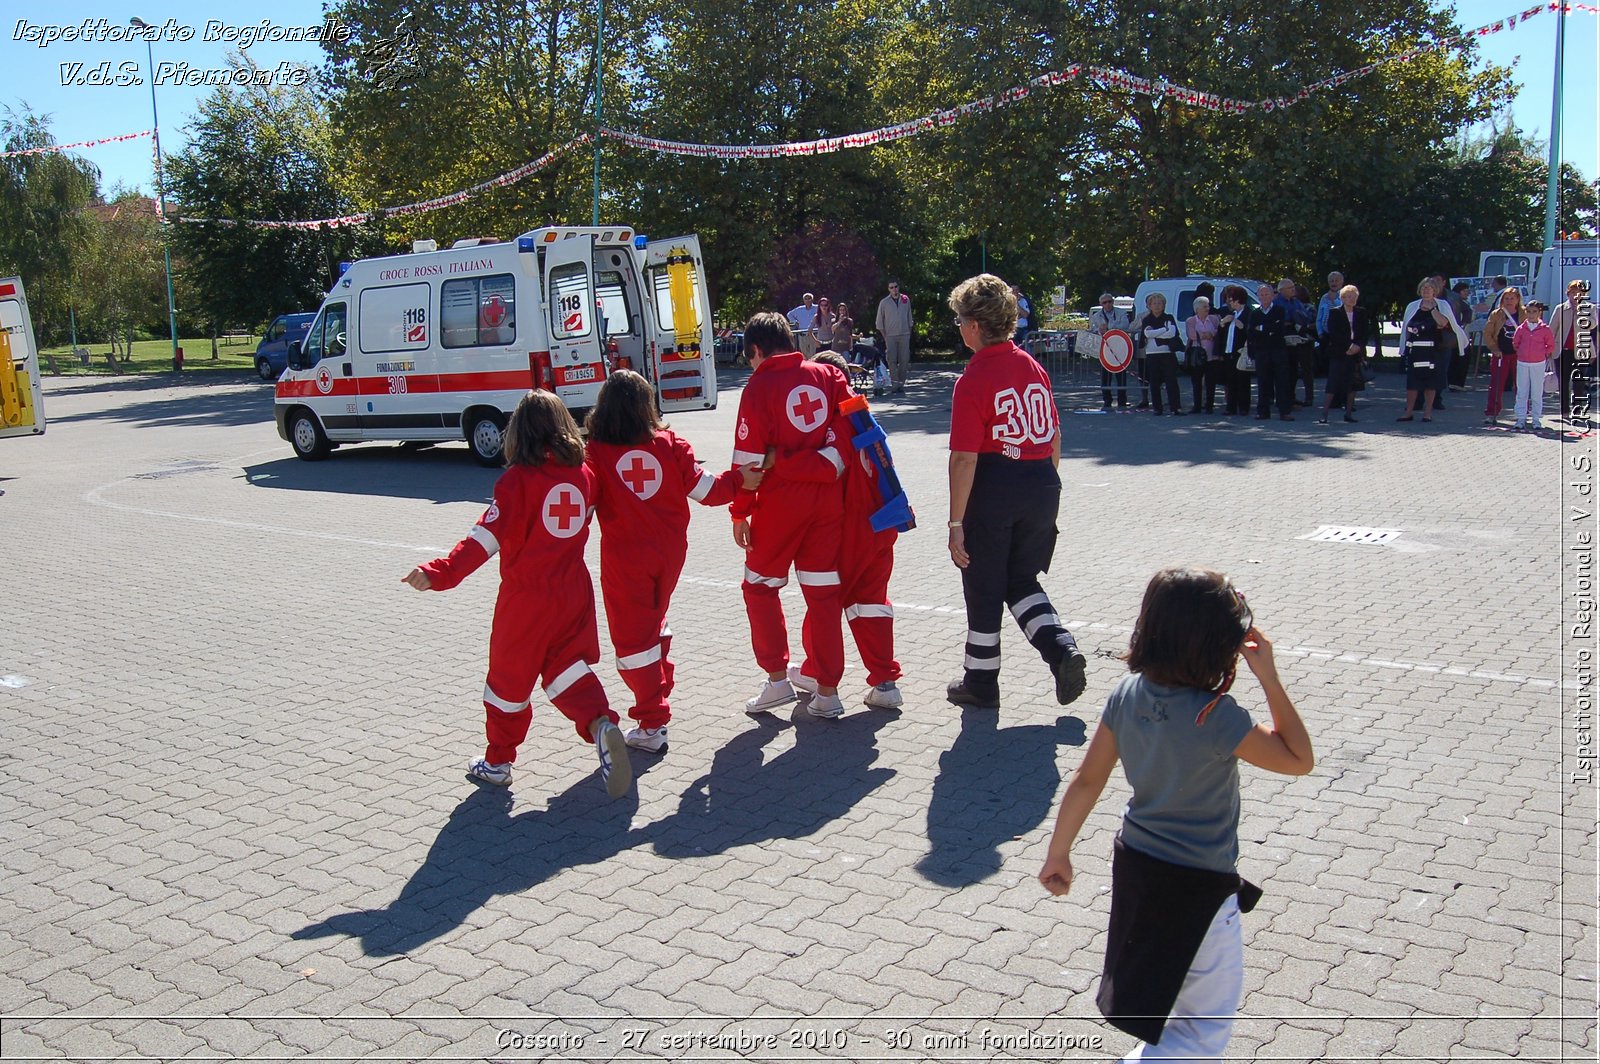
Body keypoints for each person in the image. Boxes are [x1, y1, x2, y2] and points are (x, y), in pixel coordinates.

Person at [1039, 567, 1314, 1062]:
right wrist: (1269, 677)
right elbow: (1299, 759)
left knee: (1165, 1015)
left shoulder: (1127, 694)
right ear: (1216, 646)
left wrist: (1059, 853)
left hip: (1138, 869)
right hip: (1198, 889)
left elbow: (1087, 781)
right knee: (1200, 1035)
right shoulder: (1216, 716)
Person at [401, 390, 632, 799]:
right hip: (574, 591)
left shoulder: (516, 483)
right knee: (567, 668)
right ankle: (602, 724)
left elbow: (481, 542)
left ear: (519, 432)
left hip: (527, 599)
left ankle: (497, 762)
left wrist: (438, 574)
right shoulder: (585, 475)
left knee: (507, 683)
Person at [585, 371, 763, 753]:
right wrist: (740, 481)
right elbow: (708, 491)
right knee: (652, 620)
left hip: (624, 560)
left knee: (632, 643)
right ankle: (660, 683)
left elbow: (580, 506)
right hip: (669, 555)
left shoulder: (595, 453)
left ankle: (652, 723)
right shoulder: (670, 444)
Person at [946, 274, 1087, 710]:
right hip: (1043, 481)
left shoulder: (973, 378)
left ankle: (982, 681)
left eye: (959, 320)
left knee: (984, 584)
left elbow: (964, 459)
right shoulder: (1034, 366)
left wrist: (955, 523)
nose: (959, 328)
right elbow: (1056, 437)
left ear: (974, 326)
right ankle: (1061, 648)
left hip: (995, 486)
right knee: (1020, 579)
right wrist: (1041, 488)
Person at [730, 312, 854, 718]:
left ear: (757, 350)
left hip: (779, 508)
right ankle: (829, 692)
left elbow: (749, 465)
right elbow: (844, 448)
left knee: (759, 588)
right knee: (823, 597)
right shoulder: (832, 377)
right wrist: (812, 465)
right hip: (827, 505)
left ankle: (778, 680)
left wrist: (740, 512)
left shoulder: (758, 387)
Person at [800, 350, 906, 708]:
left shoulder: (832, 426)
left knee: (824, 602)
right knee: (871, 604)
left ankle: (818, 674)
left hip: (850, 531)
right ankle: (885, 684)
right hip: (883, 524)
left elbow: (822, 475)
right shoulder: (863, 417)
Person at [1397, 277, 1466, 422]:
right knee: (1412, 383)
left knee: (1431, 382)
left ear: (1435, 290)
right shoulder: (1413, 306)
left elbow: (1444, 322)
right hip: (1416, 350)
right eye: (1423, 288)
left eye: (1429, 288)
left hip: (1435, 350)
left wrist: (1432, 309)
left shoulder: (1442, 305)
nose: (1426, 290)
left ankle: (1427, 413)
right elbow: (1407, 327)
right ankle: (1408, 411)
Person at [1318, 284, 1367, 424]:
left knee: (1353, 383)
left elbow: (1364, 332)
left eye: (1355, 296)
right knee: (1333, 383)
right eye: (1349, 296)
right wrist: (1349, 346)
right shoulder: (1335, 312)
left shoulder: (1361, 312)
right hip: (1340, 352)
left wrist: (1358, 346)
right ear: (1343, 298)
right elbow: (1334, 333)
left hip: (1355, 353)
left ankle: (1348, 413)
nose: (1352, 299)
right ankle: (1324, 414)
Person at [1549, 280, 1597, 422]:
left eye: (1580, 293)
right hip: (1563, 350)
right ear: (1568, 293)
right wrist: (1548, 348)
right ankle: (1564, 410)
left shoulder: (1590, 308)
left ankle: (1577, 409)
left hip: (1582, 350)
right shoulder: (1560, 308)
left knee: (1579, 382)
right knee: (1563, 381)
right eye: (1573, 293)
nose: (1576, 296)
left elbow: (1593, 324)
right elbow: (1552, 329)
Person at [1248, 283, 1291, 421]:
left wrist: (1262, 328)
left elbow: (1279, 329)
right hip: (1261, 352)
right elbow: (1252, 332)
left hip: (1278, 350)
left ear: (1272, 296)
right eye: (1262, 295)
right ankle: (1263, 411)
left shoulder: (1279, 310)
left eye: (1267, 294)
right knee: (1263, 382)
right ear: (1258, 297)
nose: (1264, 297)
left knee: (1282, 382)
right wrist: (1268, 328)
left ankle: (1284, 411)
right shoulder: (1254, 313)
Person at [1136, 293, 1183, 416]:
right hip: (1152, 354)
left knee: (1171, 381)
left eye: (1159, 303)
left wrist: (1156, 332)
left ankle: (1175, 407)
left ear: (1164, 305)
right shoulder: (1146, 320)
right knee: (1154, 382)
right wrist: (1163, 330)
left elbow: (1172, 333)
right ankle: (1157, 408)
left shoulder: (1169, 318)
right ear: (1149, 306)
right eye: (1154, 304)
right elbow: (1147, 334)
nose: (1157, 306)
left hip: (1167, 353)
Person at [1483, 286, 1524, 424]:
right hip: (1501, 354)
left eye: (1512, 298)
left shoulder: (1524, 313)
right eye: (1506, 298)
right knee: (1496, 384)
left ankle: (1523, 412)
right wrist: (1494, 348)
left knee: (1522, 385)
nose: (1509, 301)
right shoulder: (1496, 314)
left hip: (1519, 355)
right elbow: (1488, 333)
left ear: (1518, 300)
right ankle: (1491, 412)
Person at [1513, 300, 1555, 431]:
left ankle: (1536, 419)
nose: (1531, 315)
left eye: (1534, 312)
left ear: (1539, 312)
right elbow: (1516, 343)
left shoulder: (1545, 329)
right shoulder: (1521, 328)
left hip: (1538, 363)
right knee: (1522, 391)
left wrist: (1542, 353)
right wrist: (1521, 352)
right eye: (1529, 312)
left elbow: (1551, 345)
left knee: (1537, 392)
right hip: (1523, 362)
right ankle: (1520, 418)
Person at [1216, 286, 1252, 417]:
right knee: (1230, 381)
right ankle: (1230, 407)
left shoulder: (1248, 313)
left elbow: (1248, 330)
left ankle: (1244, 407)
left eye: (1231, 300)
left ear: (1238, 300)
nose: (1229, 303)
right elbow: (1223, 334)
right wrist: (1222, 324)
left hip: (1241, 352)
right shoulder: (1230, 313)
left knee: (1243, 381)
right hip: (1228, 352)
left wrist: (1238, 323)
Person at [1092, 293, 1132, 410]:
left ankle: (1122, 400)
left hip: (1120, 347)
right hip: (1105, 348)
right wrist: (1099, 329)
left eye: (1109, 301)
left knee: (1121, 376)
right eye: (1105, 302)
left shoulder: (1121, 312)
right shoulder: (1096, 316)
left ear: (1113, 302)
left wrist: (1109, 327)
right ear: (1101, 304)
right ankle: (1107, 400)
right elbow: (1093, 328)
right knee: (1105, 377)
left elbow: (1125, 325)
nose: (1108, 304)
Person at [1184, 292, 1221, 414]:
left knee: (1211, 382)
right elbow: (1192, 335)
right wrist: (1208, 335)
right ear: (1197, 309)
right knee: (1197, 382)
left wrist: (1212, 334)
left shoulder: (1214, 319)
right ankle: (1197, 406)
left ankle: (1209, 405)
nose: (1207, 308)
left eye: (1208, 306)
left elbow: (1219, 331)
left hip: (1212, 356)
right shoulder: (1191, 321)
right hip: (1197, 355)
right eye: (1204, 306)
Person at [875, 280, 914, 394]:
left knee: (904, 360)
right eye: (891, 287)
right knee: (891, 360)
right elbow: (879, 321)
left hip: (904, 334)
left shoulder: (905, 300)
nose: (894, 289)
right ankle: (894, 384)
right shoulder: (884, 302)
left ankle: (901, 384)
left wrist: (909, 331)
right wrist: (885, 336)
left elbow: (909, 317)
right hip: (890, 335)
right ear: (889, 289)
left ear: (898, 287)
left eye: (896, 287)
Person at [788, 292, 819, 357]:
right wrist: (795, 321)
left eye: (809, 298)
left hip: (813, 334)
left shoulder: (817, 308)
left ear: (812, 299)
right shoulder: (799, 309)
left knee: (813, 354)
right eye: (806, 299)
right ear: (804, 300)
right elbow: (789, 314)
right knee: (804, 353)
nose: (808, 300)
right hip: (802, 334)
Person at [1013, 285, 1033, 351]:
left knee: (1027, 349)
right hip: (1013, 329)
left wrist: (1016, 304)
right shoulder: (1007, 302)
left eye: (1016, 290)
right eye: (1013, 290)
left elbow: (1025, 315)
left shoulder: (1023, 301)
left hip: (1023, 329)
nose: (1015, 292)